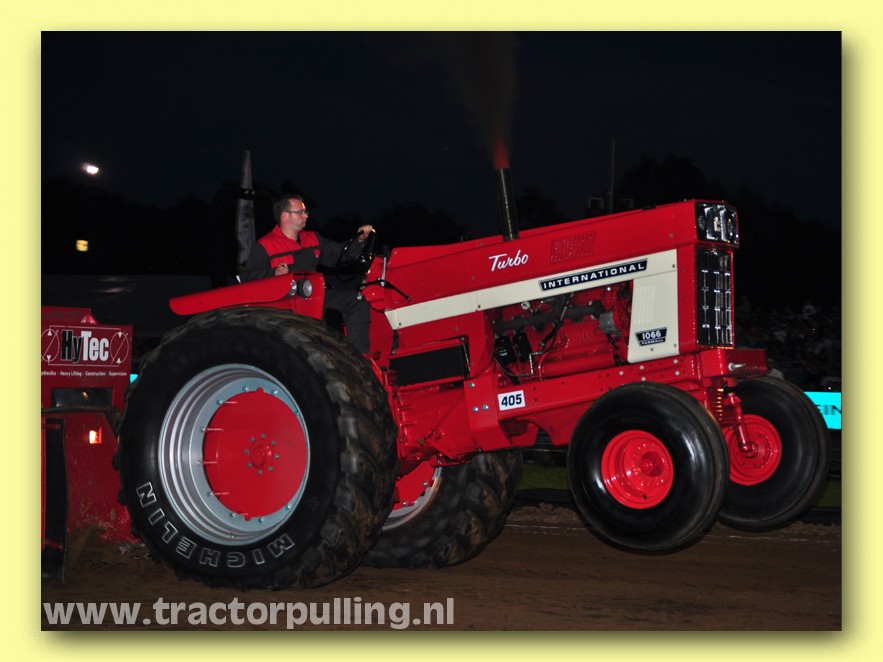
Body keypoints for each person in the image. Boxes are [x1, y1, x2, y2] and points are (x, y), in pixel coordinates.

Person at [240, 194, 374, 353]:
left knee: (356, 300)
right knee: (315, 331)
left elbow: (339, 254)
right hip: (286, 303)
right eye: (301, 212)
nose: (306, 216)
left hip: (315, 294)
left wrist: (359, 240)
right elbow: (247, 278)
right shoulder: (265, 245)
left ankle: (360, 357)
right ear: (285, 215)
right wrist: (273, 273)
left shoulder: (312, 238)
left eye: (306, 212)